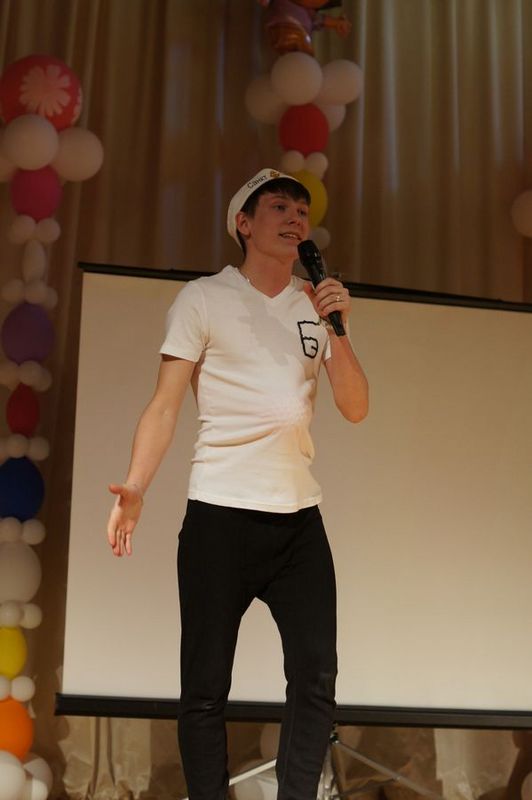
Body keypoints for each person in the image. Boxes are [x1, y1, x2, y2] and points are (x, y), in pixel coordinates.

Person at [106, 167, 369, 800]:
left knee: (315, 679)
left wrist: (339, 327)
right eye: (280, 207)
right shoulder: (204, 299)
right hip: (220, 516)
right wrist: (137, 486)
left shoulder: (315, 305)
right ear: (244, 224)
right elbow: (165, 404)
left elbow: (356, 407)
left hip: (298, 521)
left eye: (302, 211)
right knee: (204, 688)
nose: (295, 219)